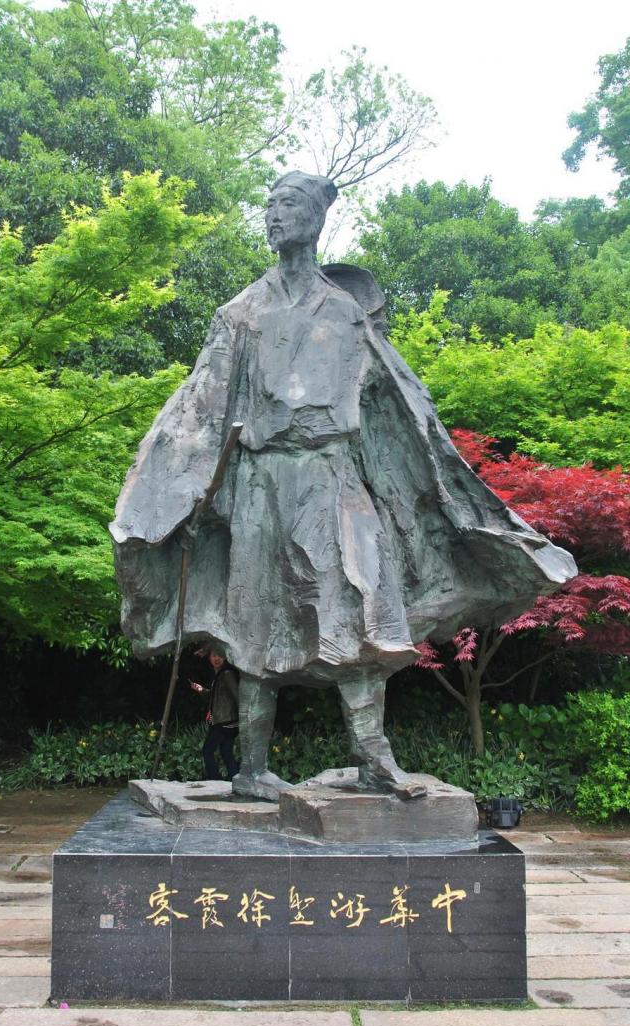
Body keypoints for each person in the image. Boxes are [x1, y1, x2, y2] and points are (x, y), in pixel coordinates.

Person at [110, 171, 576, 803]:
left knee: (361, 607)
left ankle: (373, 759)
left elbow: (398, 408)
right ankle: (251, 769)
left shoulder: (347, 312)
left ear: (316, 218)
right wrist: (182, 495)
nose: (275, 214)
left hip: (333, 478)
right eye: (270, 204)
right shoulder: (239, 314)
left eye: (288, 203)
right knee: (256, 623)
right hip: (263, 484)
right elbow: (201, 409)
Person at [190, 651, 240, 780]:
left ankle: (214, 780)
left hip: (224, 722)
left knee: (207, 751)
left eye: (220, 655)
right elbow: (215, 695)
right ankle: (236, 780)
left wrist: (244, 715)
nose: (216, 658)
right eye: (213, 655)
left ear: (225, 657)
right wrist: (202, 690)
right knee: (226, 753)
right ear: (209, 658)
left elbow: (237, 696)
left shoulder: (227, 674)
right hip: (228, 721)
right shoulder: (220, 675)